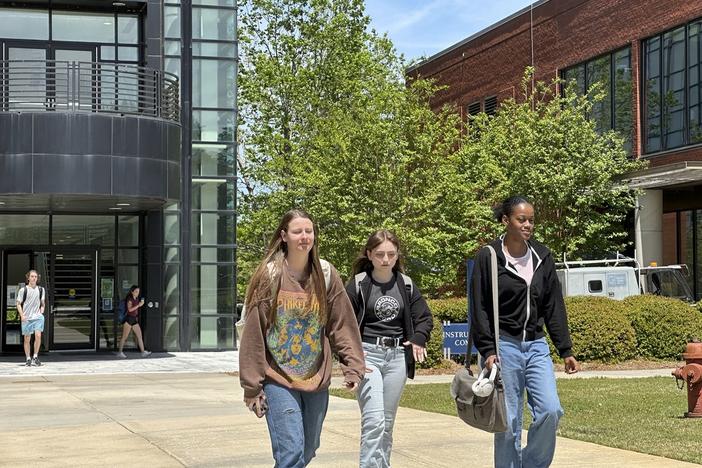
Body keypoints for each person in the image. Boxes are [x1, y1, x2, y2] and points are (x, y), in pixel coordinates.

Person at [238, 209, 365, 468]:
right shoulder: (269, 276)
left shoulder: (326, 275)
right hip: (277, 379)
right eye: (298, 231)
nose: (304, 237)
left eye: (309, 231)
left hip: (315, 378)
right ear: (284, 236)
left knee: (308, 449)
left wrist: (352, 365)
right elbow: (253, 335)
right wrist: (252, 387)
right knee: (291, 452)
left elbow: (342, 324)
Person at [471, 196, 579, 468]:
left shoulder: (542, 256)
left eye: (531, 219)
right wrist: (487, 350)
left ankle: (531, 464)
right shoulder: (490, 256)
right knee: (508, 421)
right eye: (522, 219)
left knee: (550, 411)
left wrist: (565, 349)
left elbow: (554, 305)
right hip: (504, 346)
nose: (528, 224)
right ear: (506, 220)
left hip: (536, 346)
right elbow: (479, 306)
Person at [345, 229, 433, 468]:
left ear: (397, 256)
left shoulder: (405, 285)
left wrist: (418, 338)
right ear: (369, 254)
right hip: (367, 355)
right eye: (380, 254)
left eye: (391, 254)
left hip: (397, 359)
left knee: (386, 422)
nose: (385, 259)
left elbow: (424, 318)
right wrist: (351, 360)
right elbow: (342, 323)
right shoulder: (358, 284)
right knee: (374, 421)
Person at [17, 270, 46, 367]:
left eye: (36, 277)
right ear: (28, 278)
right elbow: (18, 304)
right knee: (27, 338)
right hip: (27, 317)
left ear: (37, 278)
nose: (34, 278)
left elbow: (42, 303)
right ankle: (28, 358)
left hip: (37, 317)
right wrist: (22, 315)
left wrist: (42, 310)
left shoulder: (41, 290)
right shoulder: (23, 290)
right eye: (32, 276)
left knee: (38, 336)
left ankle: (35, 356)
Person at [116, 285, 152, 358]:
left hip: (134, 319)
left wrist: (140, 304)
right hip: (129, 319)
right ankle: (120, 352)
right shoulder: (130, 299)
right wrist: (138, 305)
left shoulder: (137, 298)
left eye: (138, 291)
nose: (137, 293)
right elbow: (130, 310)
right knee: (124, 337)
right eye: (136, 291)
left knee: (139, 336)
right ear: (132, 292)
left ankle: (143, 352)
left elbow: (135, 310)